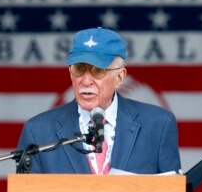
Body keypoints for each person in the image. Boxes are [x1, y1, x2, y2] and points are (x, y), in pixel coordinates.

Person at [17, 27, 181, 174]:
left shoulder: (158, 124)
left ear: (119, 77)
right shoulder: (38, 132)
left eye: (98, 71)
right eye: (79, 69)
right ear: (70, 72)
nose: (86, 81)